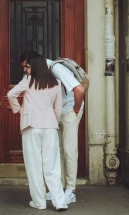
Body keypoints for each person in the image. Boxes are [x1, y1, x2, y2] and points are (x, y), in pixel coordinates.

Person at [20, 51, 85, 205]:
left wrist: (75, 110)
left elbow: (79, 90)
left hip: (69, 110)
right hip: (54, 113)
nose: (24, 70)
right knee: (57, 150)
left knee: (69, 150)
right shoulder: (39, 72)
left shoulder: (56, 69)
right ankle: (60, 189)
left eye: (26, 66)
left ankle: (71, 190)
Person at [8, 56, 68, 211]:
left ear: (34, 67)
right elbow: (58, 108)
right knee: (52, 165)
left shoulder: (28, 81)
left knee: (34, 165)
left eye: (28, 66)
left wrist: (20, 111)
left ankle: (39, 202)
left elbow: (11, 94)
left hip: (31, 126)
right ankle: (60, 201)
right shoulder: (56, 83)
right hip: (49, 126)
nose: (25, 69)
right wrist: (52, 122)